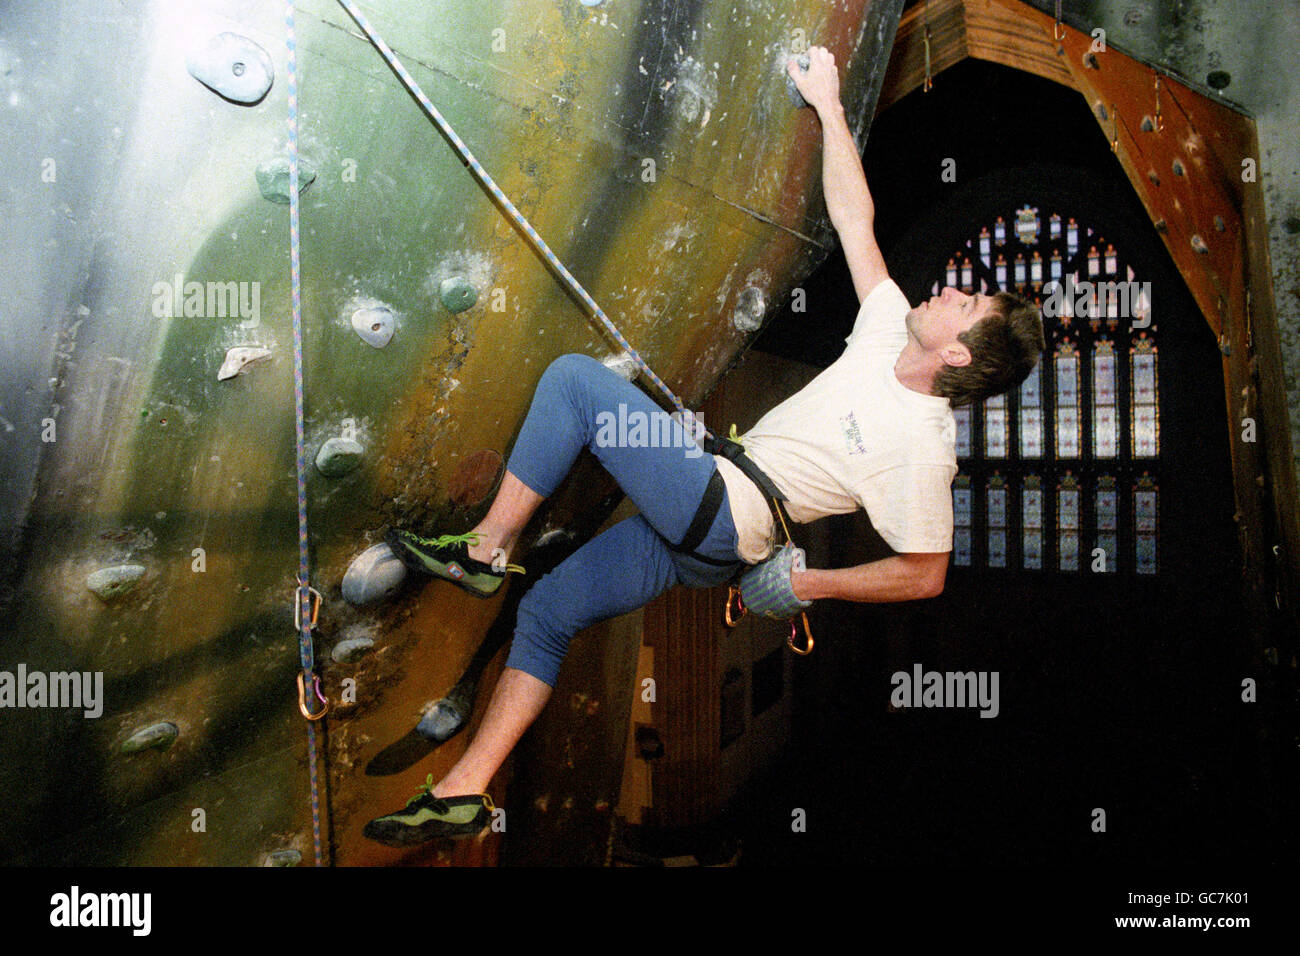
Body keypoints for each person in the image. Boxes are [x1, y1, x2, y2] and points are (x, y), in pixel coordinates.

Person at [363, 46, 1044, 846]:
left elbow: (925, 575)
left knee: (577, 385)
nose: (951, 291)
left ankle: (485, 550)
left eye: (966, 304)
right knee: (547, 612)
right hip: (708, 530)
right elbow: (855, 220)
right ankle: (465, 790)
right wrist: (827, 104)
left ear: (957, 354)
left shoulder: (924, 449)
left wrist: (811, 584)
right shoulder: (887, 330)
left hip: (725, 516)